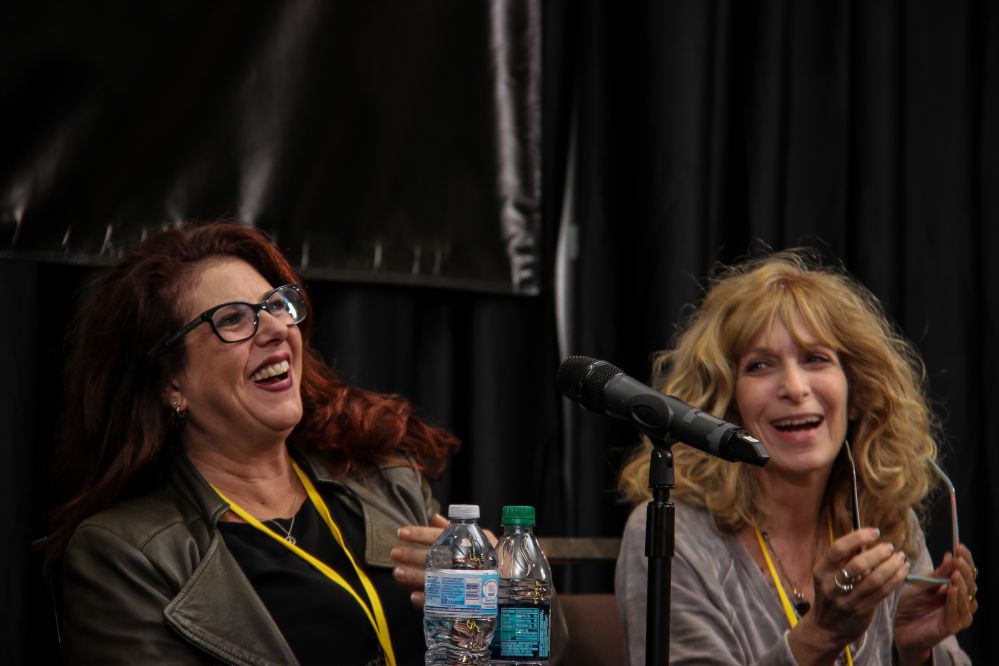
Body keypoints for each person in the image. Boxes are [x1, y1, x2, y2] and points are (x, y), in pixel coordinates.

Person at [45, 222, 462, 665]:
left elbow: (517, 653)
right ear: (171, 383)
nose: (276, 328)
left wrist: (504, 598)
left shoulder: (388, 483)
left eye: (277, 305)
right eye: (232, 319)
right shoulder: (124, 555)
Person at [615, 249, 977, 665]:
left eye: (815, 359)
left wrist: (915, 652)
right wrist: (819, 636)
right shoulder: (672, 532)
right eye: (760, 366)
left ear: (857, 393)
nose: (794, 386)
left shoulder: (887, 519)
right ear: (727, 404)